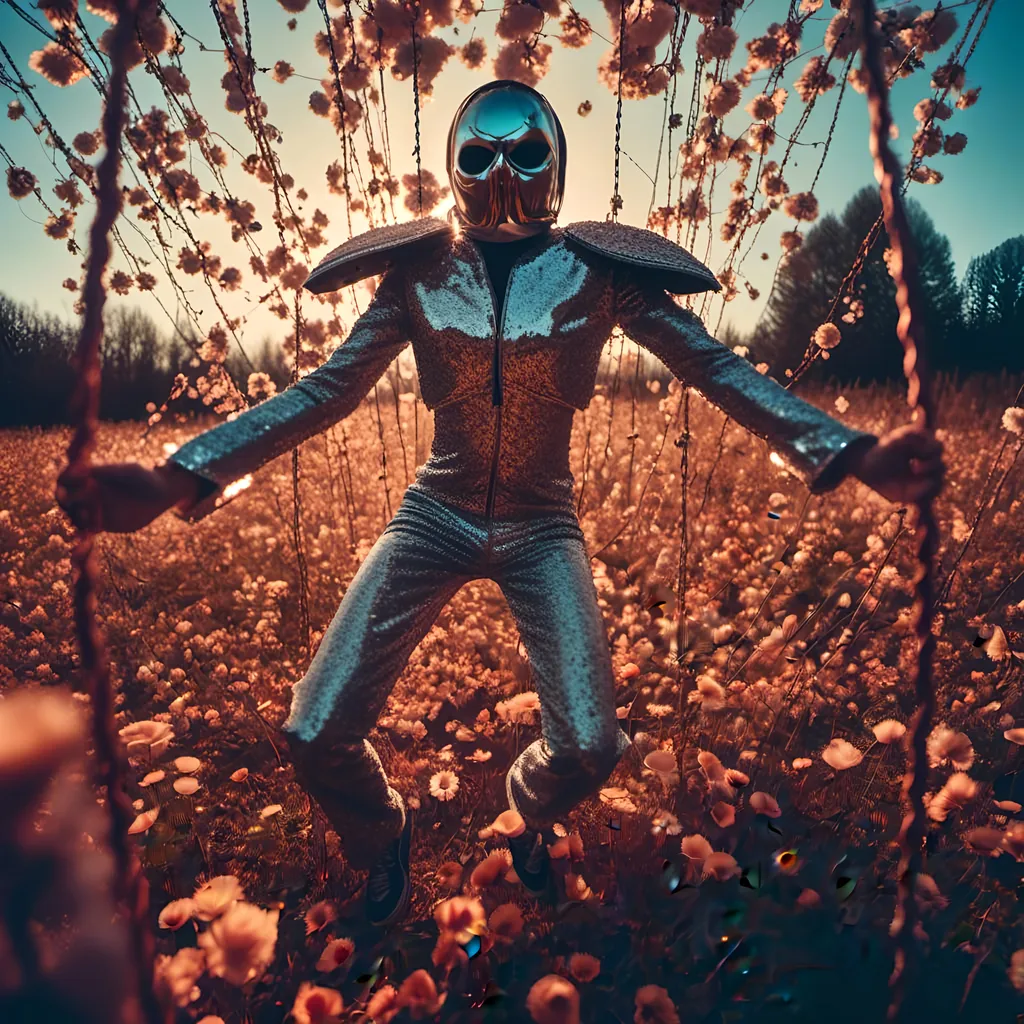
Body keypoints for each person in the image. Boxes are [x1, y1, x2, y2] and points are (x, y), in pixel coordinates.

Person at [57, 80, 945, 928]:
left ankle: (529, 810)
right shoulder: (417, 275)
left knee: (593, 744)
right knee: (315, 729)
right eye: (479, 157)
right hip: (431, 516)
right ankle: (384, 839)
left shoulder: (599, 273)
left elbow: (714, 366)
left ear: (556, 161)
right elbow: (326, 391)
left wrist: (851, 450)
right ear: (451, 167)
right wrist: (182, 473)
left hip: (541, 524)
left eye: (525, 153)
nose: (504, 177)